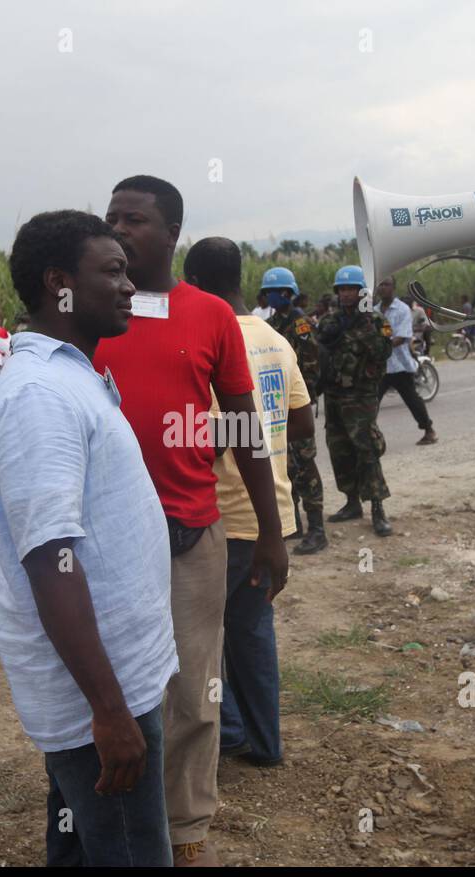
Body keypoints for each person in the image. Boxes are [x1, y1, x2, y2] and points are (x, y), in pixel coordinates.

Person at [95, 174, 288, 867]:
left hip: (190, 535)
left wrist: (270, 531)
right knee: (106, 685)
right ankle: (107, 819)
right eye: (112, 216)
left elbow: (244, 424)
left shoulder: (209, 315)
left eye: (135, 218)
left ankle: (185, 831)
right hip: (106, 540)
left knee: (194, 693)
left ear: (172, 232)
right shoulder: (88, 314)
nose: (119, 227)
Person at [0, 210, 177, 866]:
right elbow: (49, 559)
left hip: (112, 675)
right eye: (113, 271)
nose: (130, 285)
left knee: (82, 845)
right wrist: (109, 711)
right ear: (59, 284)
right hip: (98, 688)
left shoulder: (73, 376)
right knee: (129, 851)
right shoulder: (39, 394)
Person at [186, 238, 314, 768]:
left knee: (205, 636)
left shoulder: (206, 337)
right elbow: (303, 421)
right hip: (272, 514)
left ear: (191, 283)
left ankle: (232, 730)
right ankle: (264, 741)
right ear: (242, 279)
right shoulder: (276, 340)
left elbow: (219, 434)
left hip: (223, 515)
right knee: (252, 633)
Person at [318, 265, 394, 536]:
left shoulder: (375, 321)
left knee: (367, 449)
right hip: (334, 394)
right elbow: (319, 353)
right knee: (339, 448)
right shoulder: (329, 321)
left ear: (362, 292)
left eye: (352, 289)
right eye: (343, 289)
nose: (347, 294)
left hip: (361, 395)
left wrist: (362, 327)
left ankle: (377, 507)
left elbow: (384, 352)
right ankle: (351, 502)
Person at [262, 266, 327, 554]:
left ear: (288, 293)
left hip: (296, 403)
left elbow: (311, 364)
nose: (271, 297)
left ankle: (317, 529)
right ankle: (296, 524)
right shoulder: (272, 322)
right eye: (268, 293)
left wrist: (303, 398)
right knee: (287, 466)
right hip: (277, 403)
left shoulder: (301, 324)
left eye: (276, 293)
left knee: (306, 467)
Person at [376, 276, 437, 445]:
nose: (383, 288)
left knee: (412, 400)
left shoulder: (402, 309)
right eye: (380, 284)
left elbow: (402, 337)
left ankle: (429, 430)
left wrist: (379, 347)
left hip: (400, 365)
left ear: (393, 287)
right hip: (382, 366)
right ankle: (368, 436)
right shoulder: (375, 310)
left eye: (386, 284)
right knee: (371, 401)